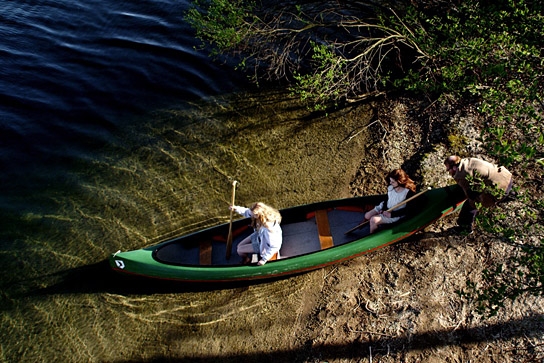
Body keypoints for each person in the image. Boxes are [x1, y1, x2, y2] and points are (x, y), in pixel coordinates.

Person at [444, 155, 513, 232]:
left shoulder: (461, 175)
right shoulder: (469, 160)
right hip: (506, 177)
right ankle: (512, 195)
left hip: (499, 189)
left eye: (448, 169)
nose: (449, 172)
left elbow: (471, 195)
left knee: (470, 205)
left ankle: (465, 228)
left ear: (454, 167)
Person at [363, 169, 417, 234]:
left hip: (395, 214)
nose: (390, 183)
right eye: (390, 181)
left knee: (373, 220)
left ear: (399, 182)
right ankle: (377, 222)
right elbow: (387, 200)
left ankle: (372, 236)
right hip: (386, 209)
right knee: (367, 216)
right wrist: (383, 209)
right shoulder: (391, 187)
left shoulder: (408, 193)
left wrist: (391, 214)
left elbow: (408, 210)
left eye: (393, 182)